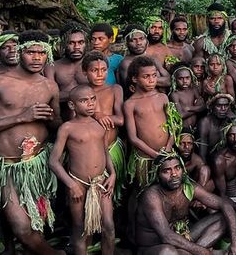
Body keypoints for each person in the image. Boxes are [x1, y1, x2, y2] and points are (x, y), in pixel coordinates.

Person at [0, 31, 62, 254]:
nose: (36, 57)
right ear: (19, 51)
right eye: (30, 52)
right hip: (7, 167)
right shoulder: (1, 81)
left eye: (42, 53)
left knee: (39, 222)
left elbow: (56, 125)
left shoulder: (49, 86)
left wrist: (54, 119)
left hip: (38, 165)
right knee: (21, 227)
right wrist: (21, 116)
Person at [49, 85, 116, 255]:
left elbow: (105, 152)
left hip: (101, 182)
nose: (90, 104)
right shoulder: (67, 128)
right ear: (72, 105)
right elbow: (54, 161)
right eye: (84, 101)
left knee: (108, 226)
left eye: (93, 99)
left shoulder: (100, 125)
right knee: (80, 228)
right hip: (78, 184)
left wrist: (113, 174)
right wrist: (72, 185)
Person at [134, 151, 236, 255]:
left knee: (229, 216)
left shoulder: (188, 187)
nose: (174, 174)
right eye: (167, 171)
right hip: (154, 247)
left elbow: (224, 204)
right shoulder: (152, 196)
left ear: (183, 169)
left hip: (183, 239)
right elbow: (166, 236)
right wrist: (203, 252)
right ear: (158, 175)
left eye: (177, 168)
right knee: (168, 252)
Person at [124, 56, 174, 188]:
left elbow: (173, 127)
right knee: (144, 191)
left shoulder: (163, 97)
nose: (152, 80)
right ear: (135, 79)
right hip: (146, 157)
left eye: (154, 75)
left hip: (167, 153)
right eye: (146, 77)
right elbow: (133, 138)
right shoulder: (130, 104)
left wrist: (168, 149)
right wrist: (155, 155)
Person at [82, 51, 126, 202]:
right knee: (92, 194)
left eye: (103, 70)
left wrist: (101, 116)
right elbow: (76, 122)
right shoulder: (80, 93)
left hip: (112, 147)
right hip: (90, 152)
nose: (100, 74)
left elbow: (120, 120)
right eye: (94, 70)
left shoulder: (115, 89)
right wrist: (97, 114)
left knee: (114, 194)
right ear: (84, 72)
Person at [44, 23, 88, 120]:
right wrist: (83, 93)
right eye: (71, 43)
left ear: (86, 43)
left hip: (91, 120)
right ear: (63, 43)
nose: (76, 47)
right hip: (61, 119)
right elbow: (49, 97)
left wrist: (64, 94)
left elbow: (101, 91)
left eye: (81, 42)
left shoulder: (93, 65)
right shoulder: (52, 67)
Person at [117, 26, 170, 93]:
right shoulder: (126, 63)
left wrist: (144, 81)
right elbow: (132, 87)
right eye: (133, 40)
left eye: (141, 38)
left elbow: (168, 80)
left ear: (146, 40)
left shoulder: (152, 59)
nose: (138, 43)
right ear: (127, 43)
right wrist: (160, 82)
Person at [197, 94, 236, 160]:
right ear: (212, 107)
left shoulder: (231, 121)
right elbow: (202, 154)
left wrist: (234, 121)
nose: (223, 109)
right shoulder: (205, 123)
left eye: (226, 105)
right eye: (219, 106)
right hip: (210, 160)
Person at [169, 66, 205, 130]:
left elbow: (203, 107)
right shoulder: (175, 95)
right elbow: (180, 115)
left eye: (187, 78)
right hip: (183, 129)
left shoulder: (193, 89)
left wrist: (189, 108)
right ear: (175, 80)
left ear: (191, 78)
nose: (185, 81)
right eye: (181, 78)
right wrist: (196, 109)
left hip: (195, 127)